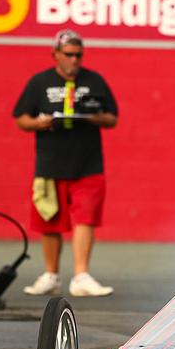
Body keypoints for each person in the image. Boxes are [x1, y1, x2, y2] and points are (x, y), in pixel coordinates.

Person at [13, 30, 118, 297]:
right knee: (50, 220)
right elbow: (21, 118)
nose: (74, 60)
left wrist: (97, 118)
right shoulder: (40, 82)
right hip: (50, 163)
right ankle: (51, 275)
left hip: (88, 163)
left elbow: (112, 118)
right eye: (69, 54)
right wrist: (38, 123)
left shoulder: (94, 80)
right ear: (56, 54)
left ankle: (81, 276)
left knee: (86, 218)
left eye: (78, 55)